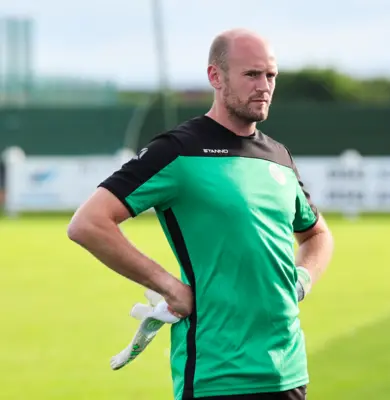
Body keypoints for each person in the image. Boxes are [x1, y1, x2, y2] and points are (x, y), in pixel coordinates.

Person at [67, 28, 334, 400]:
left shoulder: (279, 157)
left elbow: (317, 234)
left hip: (287, 372)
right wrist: (168, 285)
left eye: (270, 75)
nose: (264, 86)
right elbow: (88, 223)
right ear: (216, 77)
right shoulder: (179, 150)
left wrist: (301, 280)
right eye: (252, 75)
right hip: (217, 374)